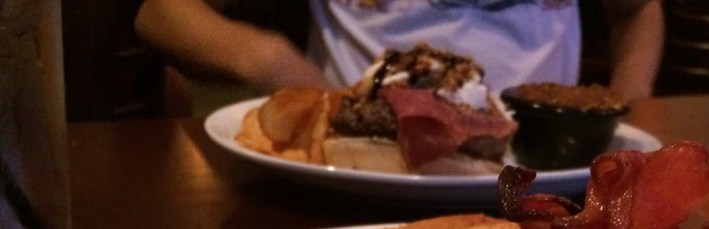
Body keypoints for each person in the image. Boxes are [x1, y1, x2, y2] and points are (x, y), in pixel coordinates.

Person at [134, 0, 664, 104]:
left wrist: (627, 101)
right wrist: (269, 59)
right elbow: (160, 13)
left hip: (543, 172)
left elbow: (636, 9)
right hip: (356, 170)